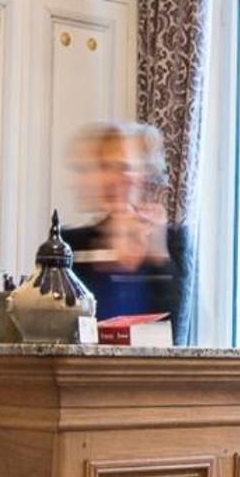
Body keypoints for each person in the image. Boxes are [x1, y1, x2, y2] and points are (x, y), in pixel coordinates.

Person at [64, 122, 192, 340]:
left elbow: (177, 334)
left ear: (144, 175)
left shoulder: (173, 243)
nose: (114, 178)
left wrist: (158, 256)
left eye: (124, 167)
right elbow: (62, 330)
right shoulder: (70, 245)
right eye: (106, 167)